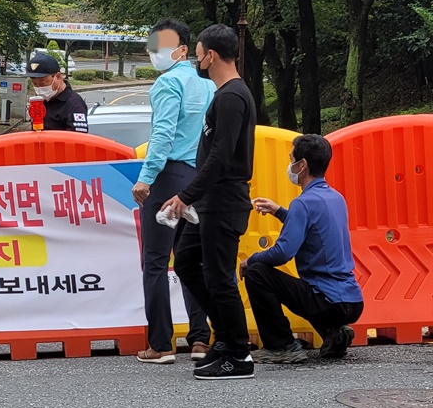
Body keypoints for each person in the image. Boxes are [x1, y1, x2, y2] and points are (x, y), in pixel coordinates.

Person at [161, 24, 258, 381]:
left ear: (210, 56)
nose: (196, 58)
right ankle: (226, 337)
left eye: (198, 52)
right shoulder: (224, 94)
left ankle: (239, 354)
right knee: (186, 262)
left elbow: (220, 155)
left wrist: (186, 194)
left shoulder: (232, 96)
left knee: (219, 277)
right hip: (206, 201)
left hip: (223, 200)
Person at [130, 19, 215, 364]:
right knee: (191, 260)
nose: (156, 53)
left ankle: (161, 344)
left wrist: (146, 177)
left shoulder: (167, 84)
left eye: (162, 46)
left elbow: (162, 136)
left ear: (182, 49)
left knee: (155, 261)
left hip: (167, 177)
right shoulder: (208, 87)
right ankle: (199, 340)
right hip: (198, 179)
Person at [240, 134, 364, 362]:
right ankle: (333, 332)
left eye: (291, 159)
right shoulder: (335, 198)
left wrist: (251, 259)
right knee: (311, 286)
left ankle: (281, 346)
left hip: (327, 301)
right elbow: (314, 231)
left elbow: (283, 253)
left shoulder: (303, 203)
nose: (290, 166)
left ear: (302, 165)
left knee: (257, 273)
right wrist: (280, 212)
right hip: (352, 301)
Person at [26, 52, 88, 133]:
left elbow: (77, 140)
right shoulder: (42, 101)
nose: (39, 88)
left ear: (58, 76)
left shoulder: (74, 105)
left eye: (43, 83)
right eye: (35, 84)